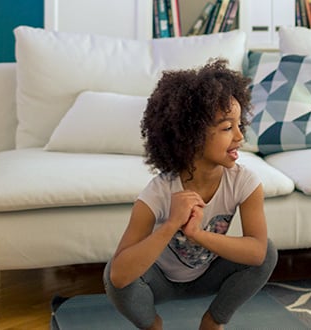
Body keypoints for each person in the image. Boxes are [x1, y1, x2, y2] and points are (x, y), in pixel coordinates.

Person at [104, 59, 277, 330]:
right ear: (192, 135)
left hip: (209, 275)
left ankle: (213, 321)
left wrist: (197, 234)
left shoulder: (245, 182)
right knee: (113, 274)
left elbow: (257, 254)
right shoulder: (158, 193)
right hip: (159, 282)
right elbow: (120, 274)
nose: (240, 137)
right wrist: (171, 225)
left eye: (239, 124)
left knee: (268, 251)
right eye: (227, 128)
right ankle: (152, 325)